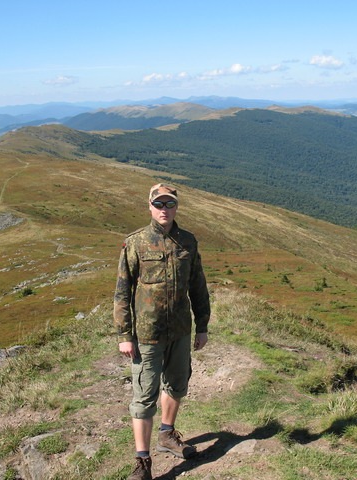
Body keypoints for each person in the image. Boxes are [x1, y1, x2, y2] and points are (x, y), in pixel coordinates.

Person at [114, 183, 211, 480]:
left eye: (169, 204)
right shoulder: (136, 243)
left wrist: (202, 326)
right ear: (150, 206)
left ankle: (167, 434)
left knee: (177, 385)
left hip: (180, 330)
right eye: (159, 204)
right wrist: (124, 335)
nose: (164, 209)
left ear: (176, 207)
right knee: (144, 397)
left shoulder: (188, 242)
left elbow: (198, 285)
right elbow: (122, 291)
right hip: (147, 334)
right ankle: (142, 461)